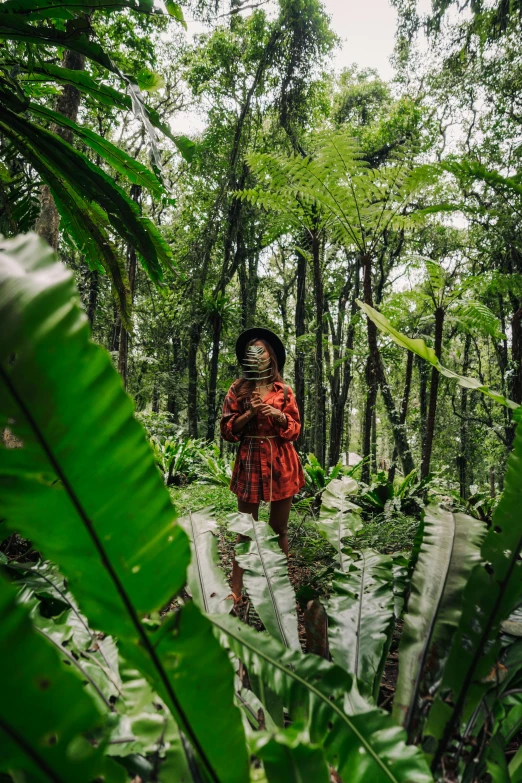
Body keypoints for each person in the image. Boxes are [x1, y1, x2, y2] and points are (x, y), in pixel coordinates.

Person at [220, 327, 305, 600]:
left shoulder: (285, 390)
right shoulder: (237, 388)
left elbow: (294, 429)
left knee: (279, 529)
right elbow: (227, 430)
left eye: (262, 352)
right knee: (246, 529)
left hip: (282, 461)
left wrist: (278, 415)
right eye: (251, 353)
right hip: (250, 459)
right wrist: (250, 413)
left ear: (271, 357)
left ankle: (279, 589)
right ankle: (236, 589)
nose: (256, 357)